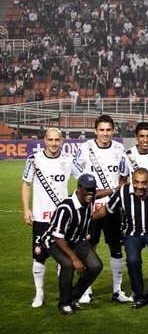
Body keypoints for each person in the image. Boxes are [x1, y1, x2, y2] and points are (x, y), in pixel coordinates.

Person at [21, 128, 83, 308]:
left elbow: (83, 180)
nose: (54, 143)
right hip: (41, 217)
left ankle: (64, 295)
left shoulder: (69, 160)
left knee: (64, 259)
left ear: (62, 140)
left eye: (57, 140)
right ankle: (39, 294)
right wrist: (26, 209)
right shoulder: (34, 160)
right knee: (39, 256)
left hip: (62, 220)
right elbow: (26, 184)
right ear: (45, 140)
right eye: (50, 140)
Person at [96, 168, 148, 308]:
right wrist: (88, 219)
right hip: (132, 233)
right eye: (136, 182)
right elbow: (107, 209)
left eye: (143, 183)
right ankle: (139, 296)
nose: (139, 186)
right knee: (133, 261)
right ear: (132, 180)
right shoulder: (123, 192)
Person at [75, 115, 129, 303]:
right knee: (89, 247)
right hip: (91, 208)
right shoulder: (85, 148)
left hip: (112, 208)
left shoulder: (119, 148)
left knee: (115, 247)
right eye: (102, 130)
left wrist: (118, 192)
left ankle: (117, 290)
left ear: (113, 130)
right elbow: (77, 174)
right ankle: (86, 290)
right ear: (95, 130)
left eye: (108, 130)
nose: (105, 133)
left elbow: (123, 175)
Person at [40, 174, 104, 315]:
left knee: (96, 266)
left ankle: (74, 296)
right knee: (68, 265)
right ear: (79, 188)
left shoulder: (89, 199)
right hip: (54, 241)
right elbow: (57, 237)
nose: (90, 193)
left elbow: (99, 194)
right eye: (87, 189)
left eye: (92, 189)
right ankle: (64, 303)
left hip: (77, 239)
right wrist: (75, 259)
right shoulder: (66, 208)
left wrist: (115, 190)